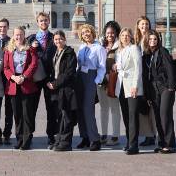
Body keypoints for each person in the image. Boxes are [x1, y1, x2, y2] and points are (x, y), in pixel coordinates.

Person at [3, 26, 39, 150]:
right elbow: (6, 68)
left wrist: (24, 76)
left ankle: (27, 139)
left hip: (26, 83)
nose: (19, 37)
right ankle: (19, 138)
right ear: (13, 36)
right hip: (13, 84)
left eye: (21, 34)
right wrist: (13, 77)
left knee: (27, 114)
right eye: (16, 35)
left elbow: (34, 64)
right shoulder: (8, 50)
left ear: (24, 36)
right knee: (17, 114)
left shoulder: (30, 49)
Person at [26, 12, 57, 149]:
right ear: (37, 23)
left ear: (49, 21)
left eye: (45, 20)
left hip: (50, 77)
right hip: (35, 77)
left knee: (51, 107)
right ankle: (30, 133)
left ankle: (51, 135)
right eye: (41, 21)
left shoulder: (54, 38)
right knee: (32, 106)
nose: (43, 22)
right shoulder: (31, 38)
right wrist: (32, 47)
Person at [144, 31, 176, 154]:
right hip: (153, 89)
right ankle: (161, 143)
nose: (153, 41)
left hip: (165, 88)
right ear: (147, 40)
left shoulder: (163, 51)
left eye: (155, 39)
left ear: (158, 40)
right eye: (150, 39)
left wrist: (171, 87)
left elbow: (170, 69)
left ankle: (170, 145)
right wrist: (147, 94)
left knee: (165, 116)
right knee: (157, 117)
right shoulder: (147, 54)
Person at [75, 23, 106, 151]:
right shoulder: (81, 47)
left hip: (90, 78)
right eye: (83, 33)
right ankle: (85, 137)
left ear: (92, 32)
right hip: (80, 77)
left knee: (88, 110)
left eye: (87, 32)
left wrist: (96, 81)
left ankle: (95, 139)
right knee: (80, 109)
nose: (85, 34)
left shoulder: (99, 48)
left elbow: (102, 67)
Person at [47, 30, 77, 152]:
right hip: (57, 89)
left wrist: (55, 83)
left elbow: (69, 73)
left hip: (67, 89)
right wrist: (50, 82)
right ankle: (59, 140)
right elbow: (53, 71)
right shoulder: (56, 52)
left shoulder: (69, 53)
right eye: (56, 39)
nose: (58, 41)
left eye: (60, 39)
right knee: (60, 116)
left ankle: (66, 142)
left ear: (64, 39)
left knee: (67, 116)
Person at [114, 27, 142, 155]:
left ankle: (134, 145)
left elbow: (138, 68)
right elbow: (120, 68)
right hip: (121, 87)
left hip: (131, 86)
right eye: (122, 35)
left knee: (133, 116)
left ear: (131, 37)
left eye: (127, 35)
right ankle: (128, 141)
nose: (125, 37)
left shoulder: (134, 48)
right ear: (120, 38)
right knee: (126, 116)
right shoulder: (120, 51)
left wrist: (135, 85)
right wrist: (116, 66)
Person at [134, 17, 157, 147]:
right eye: (142, 24)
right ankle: (148, 134)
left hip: (149, 78)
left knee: (151, 107)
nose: (144, 26)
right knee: (142, 108)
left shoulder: (152, 37)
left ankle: (153, 134)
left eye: (146, 24)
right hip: (140, 77)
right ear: (138, 26)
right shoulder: (136, 40)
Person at [99, 20, 121, 147]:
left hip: (113, 81)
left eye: (112, 33)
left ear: (116, 33)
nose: (110, 35)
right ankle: (103, 134)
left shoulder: (119, 46)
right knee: (103, 108)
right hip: (101, 81)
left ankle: (115, 135)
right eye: (108, 33)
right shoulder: (101, 45)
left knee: (114, 108)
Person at [0, 18, 13, 145]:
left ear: (8, 28)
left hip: (9, 80)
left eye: (5, 27)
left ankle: (7, 133)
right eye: (0, 27)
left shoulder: (13, 42)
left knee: (9, 109)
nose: (2, 29)